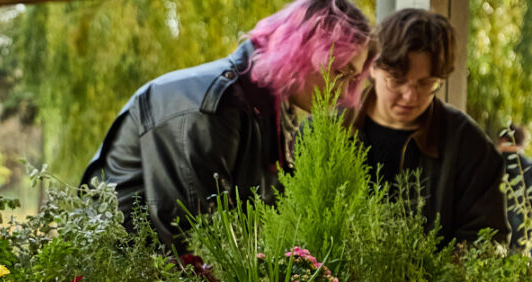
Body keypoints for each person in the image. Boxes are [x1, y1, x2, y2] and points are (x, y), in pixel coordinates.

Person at [81, 0, 374, 252]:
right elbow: (190, 240)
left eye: (354, 78)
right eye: (339, 72)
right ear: (302, 53)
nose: (345, 91)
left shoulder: (269, 108)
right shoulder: (215, 106)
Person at [347, 9, 509, 244]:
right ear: (372, 67)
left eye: (426, 84)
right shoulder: (331, 130)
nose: (410, 96)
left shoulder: (467, 145)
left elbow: (487, 241)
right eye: (397, 80)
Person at [498, 123, 532, 249]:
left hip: (494, 238)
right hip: (524, 239)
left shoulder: (490, 164)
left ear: (503, 141)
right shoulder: (529, 166)